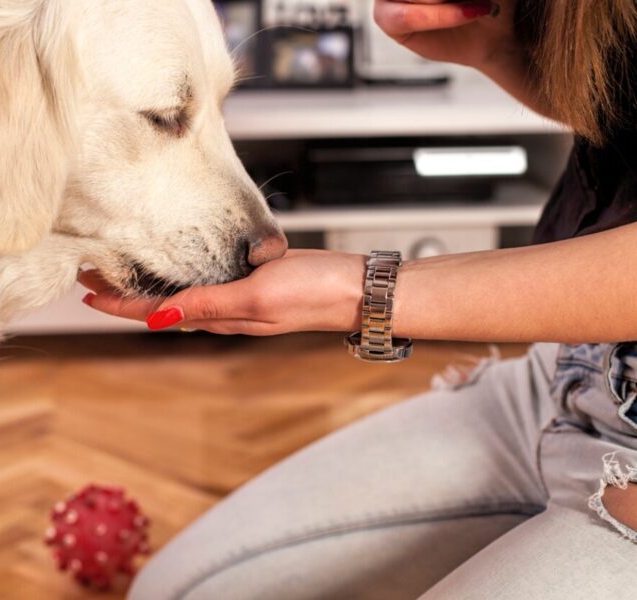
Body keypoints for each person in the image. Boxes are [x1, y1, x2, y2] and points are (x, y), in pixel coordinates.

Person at [81, 0, 637, 598]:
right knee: (176, 591)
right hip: (569, 376)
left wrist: (357, 292)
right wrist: (486, 45)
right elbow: (618, 106)